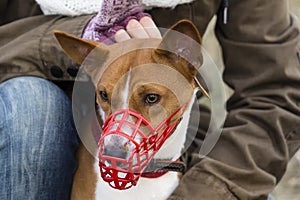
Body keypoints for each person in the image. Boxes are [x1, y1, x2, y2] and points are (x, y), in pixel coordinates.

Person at [0, 0, 299, 200]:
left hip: (172, 144)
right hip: (27, 117)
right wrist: (89, 36)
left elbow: (276, 91)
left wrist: (205, 190)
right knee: (33, 110)